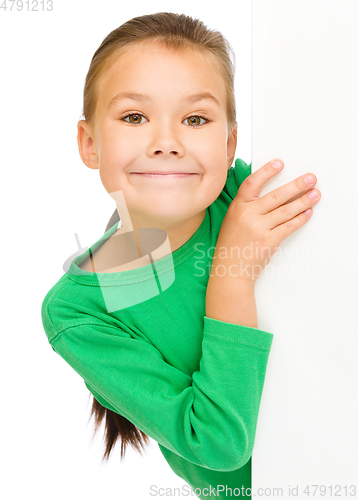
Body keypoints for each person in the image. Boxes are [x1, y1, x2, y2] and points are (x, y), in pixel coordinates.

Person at [41, 12, 321, 500]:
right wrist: (232, 272)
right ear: (90, 143)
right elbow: (217, 443)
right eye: (134, 117)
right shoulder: (79, 310)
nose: (167, 143)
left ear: (229, 141)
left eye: (195, 119)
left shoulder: (252, 195)